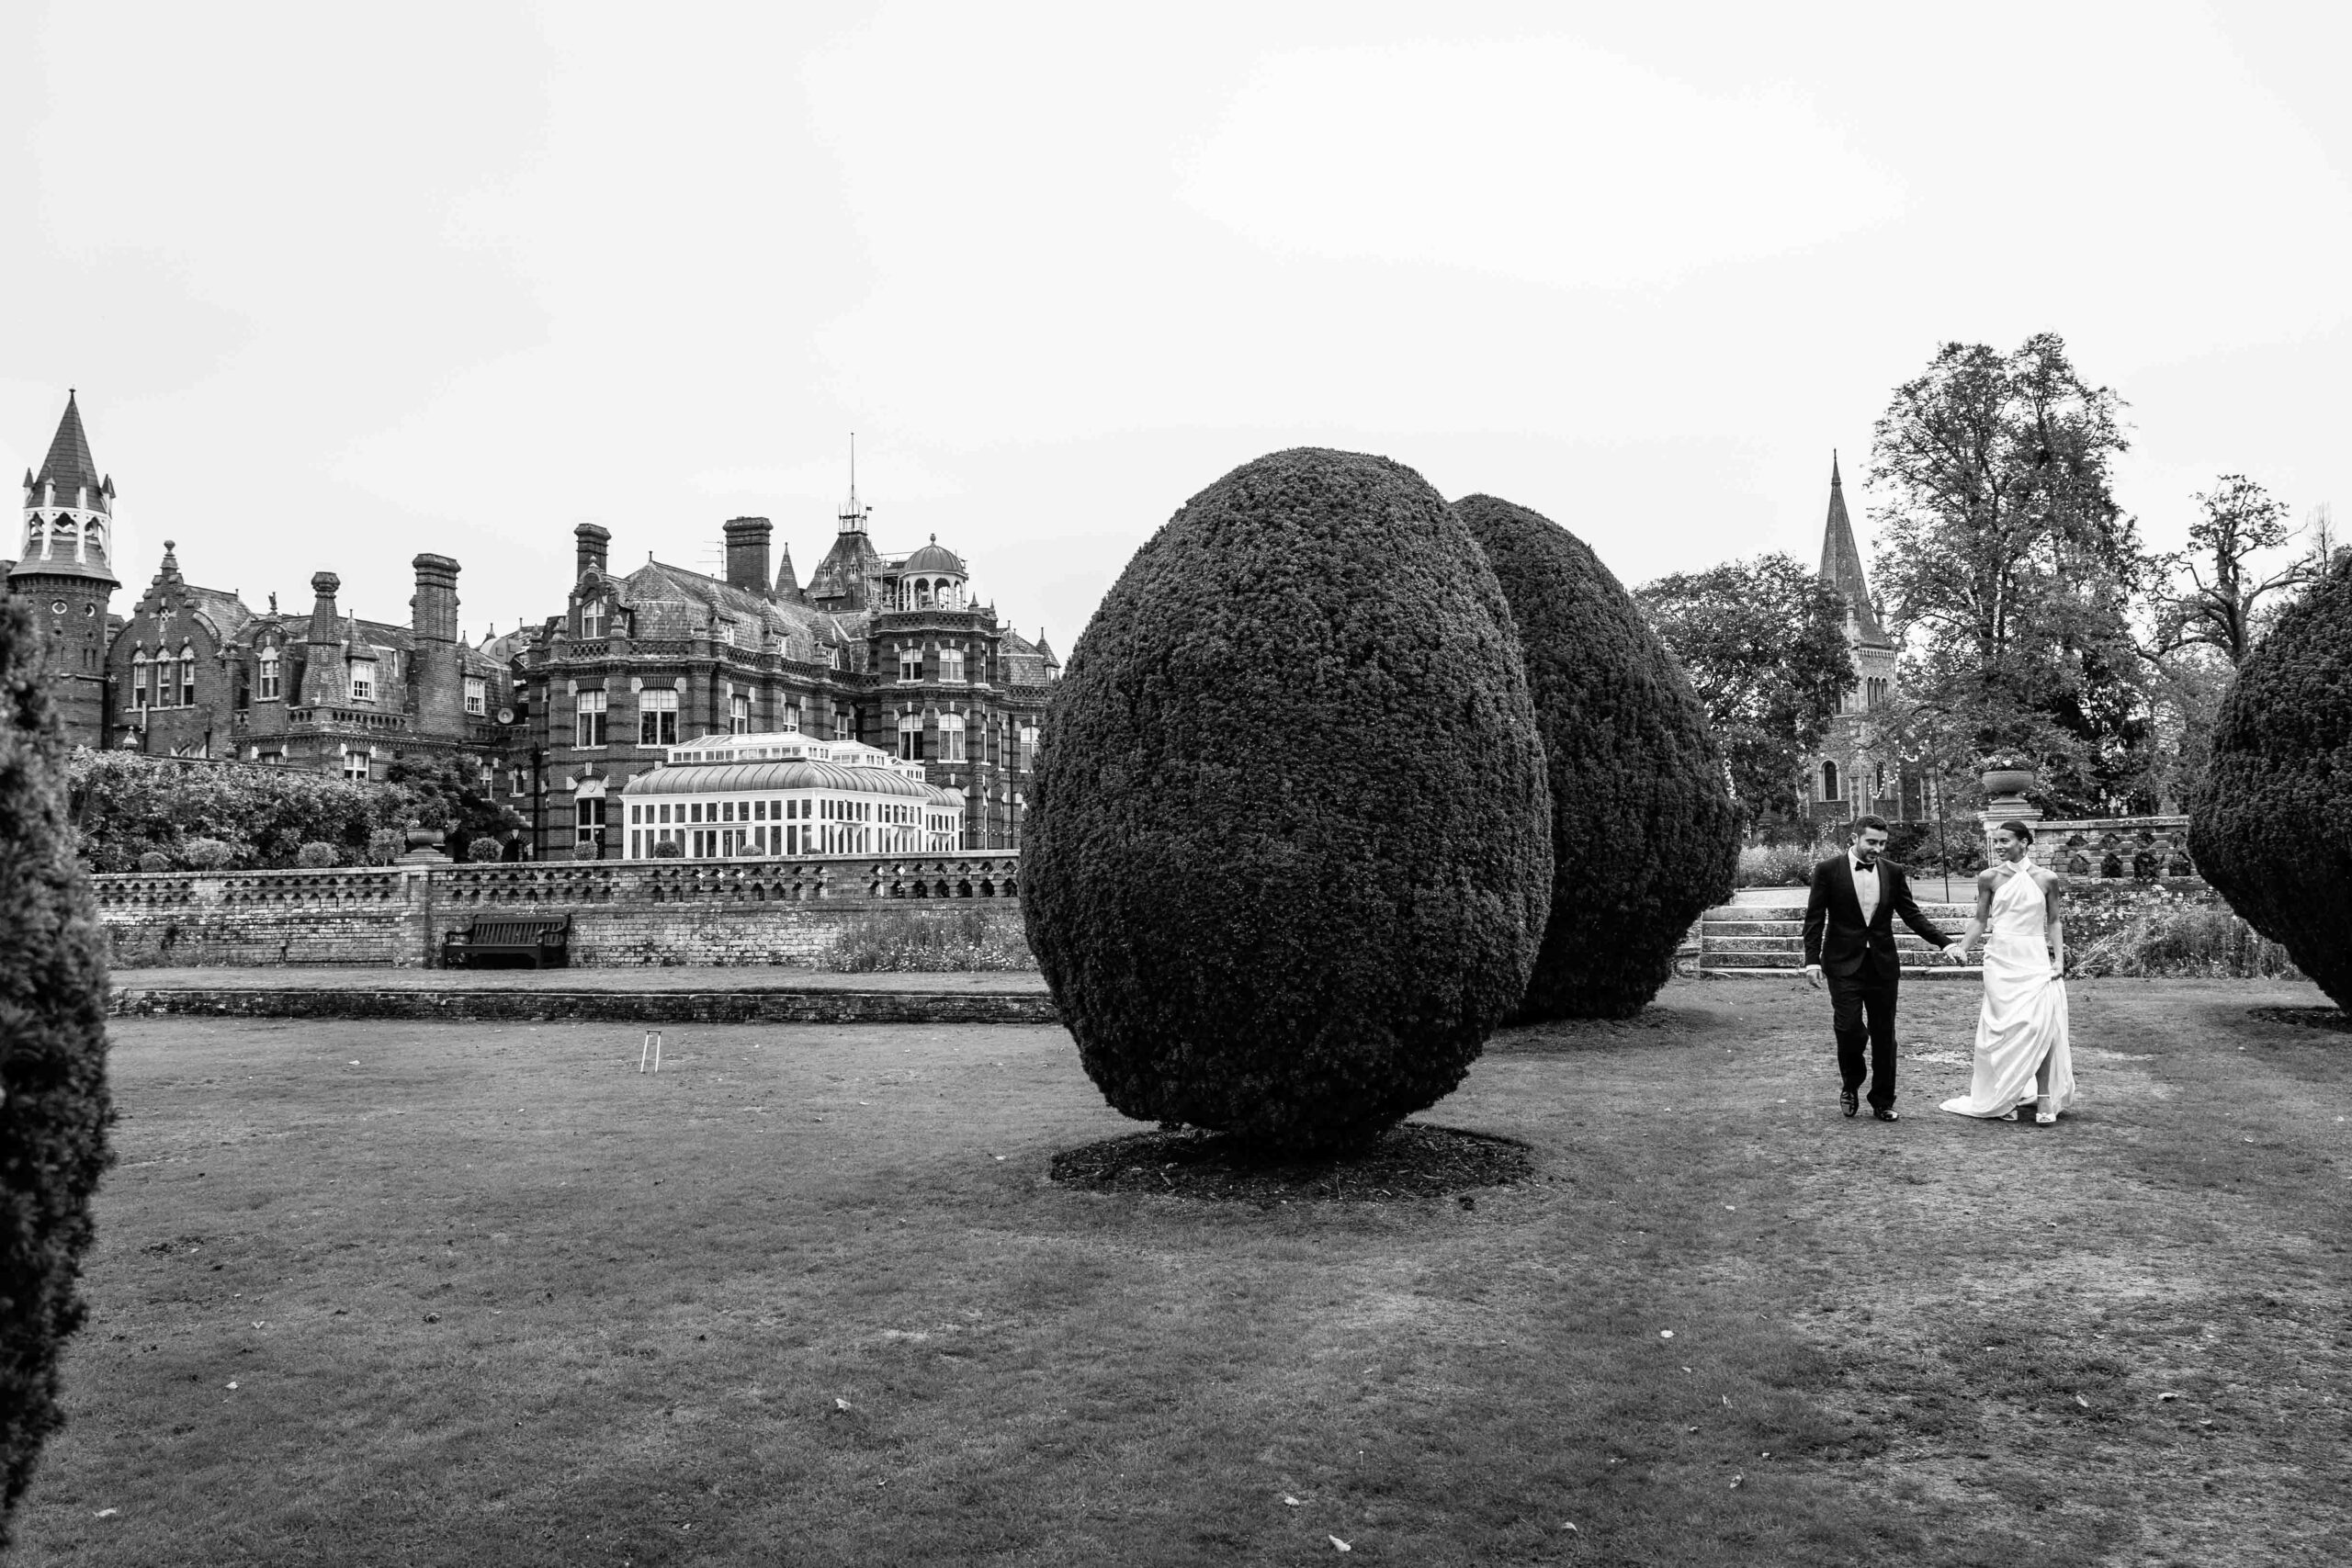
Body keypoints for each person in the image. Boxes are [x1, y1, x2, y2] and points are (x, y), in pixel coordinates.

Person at [1802, 815, 1964, 1122]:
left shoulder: (1893, 871)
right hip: (1842, 964)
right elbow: (1814, 918)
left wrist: (1946, 944)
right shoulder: (1827, 870)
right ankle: (1851, 1083)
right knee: (1849, 1029)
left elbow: (1912, 915)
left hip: (1882, 965)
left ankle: (1883, 1101)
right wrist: (1812, 960)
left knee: (1884, 1035)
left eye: (1882, 843)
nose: (1877, 849)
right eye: (1871, 842)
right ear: (1854, 838)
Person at [1940, 820, 2075, 1124]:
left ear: (2024, 842)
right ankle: (2006, 1095)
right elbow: (1980, 920)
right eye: (1996, 841)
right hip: (2000, 959)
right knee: (2001, 1029)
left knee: (2041, 1026)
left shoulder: (2047, 879)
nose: (1998, 846)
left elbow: (2054, 921)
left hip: (2034, 959)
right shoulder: (1989, 877)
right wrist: (1962, 947)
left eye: (2004, 840)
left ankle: (2044, 1096)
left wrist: (2058, 960)